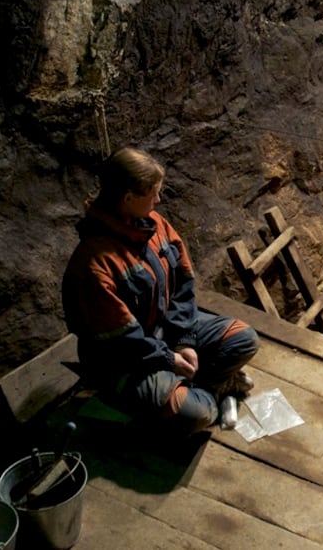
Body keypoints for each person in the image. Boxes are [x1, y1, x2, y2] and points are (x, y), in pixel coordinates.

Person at [62, 147, 260, 436]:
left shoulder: (154, 225)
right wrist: (169, 360)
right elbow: (123, 341)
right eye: (153, 193)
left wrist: (183, 341)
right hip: (124, 361)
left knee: (243, 338)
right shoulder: (94, 264)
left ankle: (200, 389)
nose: (158, 200)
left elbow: (183, 284)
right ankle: (211, 394)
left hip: (163, 332)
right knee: (199, 414)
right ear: (128, 198)